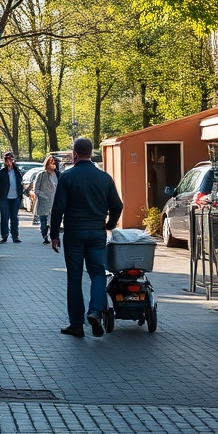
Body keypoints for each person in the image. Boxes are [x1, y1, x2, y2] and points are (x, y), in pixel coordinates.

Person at [50, 137, 123, 338]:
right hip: (97, 232)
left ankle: (76, 324)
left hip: (74, 233)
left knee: (74, 278)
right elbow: (117, 205)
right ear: (91, 153)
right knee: (98, 273)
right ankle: (95, 312)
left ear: (74, 153)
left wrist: (54, 235)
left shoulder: (67, 177)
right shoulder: (104, 178)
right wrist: (109, 225)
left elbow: (58, 208)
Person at [0, 151, 24, 243]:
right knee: (5, 217)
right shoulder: (0, 172)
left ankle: (15, 236)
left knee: (14, 217)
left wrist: (20, 195)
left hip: (16, 198)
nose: (8, 162)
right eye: (6, 160)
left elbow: (21, 183)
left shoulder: (17, 171)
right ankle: (4, 235)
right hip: (4, 198)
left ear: (13, 160)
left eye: (10, 159)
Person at [30, 155, 60, 244]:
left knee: (53, 221)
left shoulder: (58, 175)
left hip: (55, 202)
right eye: (51, 163)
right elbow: (36, 189)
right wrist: (44, 196)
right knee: (44, 221)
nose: (53, 165)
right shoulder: (41, 175)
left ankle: (53, 236)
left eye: (54, 163)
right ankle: (45, 236)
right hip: (44, 202)